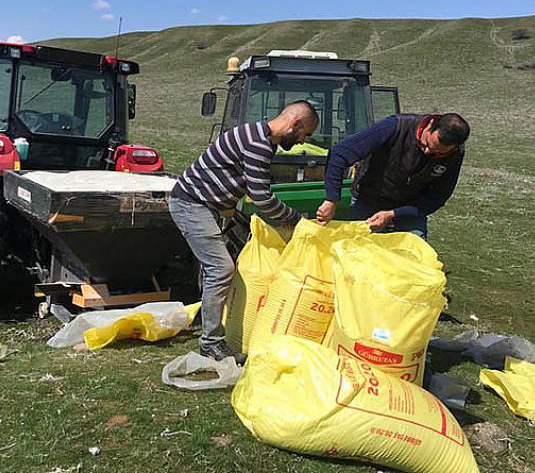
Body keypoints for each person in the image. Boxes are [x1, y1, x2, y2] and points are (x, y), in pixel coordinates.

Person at [169, 101, 318, 364]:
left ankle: (210, 325)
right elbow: (261, 196)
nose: (300, 142)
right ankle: (211, 344)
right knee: (221, 268)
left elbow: (252, 186)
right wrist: (295, 220)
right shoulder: (257, 142)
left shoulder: (262, 140)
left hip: (208, 206)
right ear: (295, 124)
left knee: (217, 266)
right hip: (191, 204)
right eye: (304, 134)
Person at [316, 113, 470, 239]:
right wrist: (331, 199)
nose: (428, 152)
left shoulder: (454, 155)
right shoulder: (395, 126)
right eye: (426, 144)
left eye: (438, 153)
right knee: (358, 255)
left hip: (408, 211)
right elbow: (340, 153)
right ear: (430, 125)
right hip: (367, 201)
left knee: (412, 261)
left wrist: (394, 214)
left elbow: (438, 197)